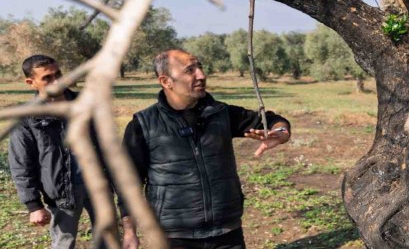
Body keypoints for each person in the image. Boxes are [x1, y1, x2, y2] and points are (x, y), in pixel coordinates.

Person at [120, 49, 291, 249]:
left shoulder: (221, 113)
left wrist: (281, 132)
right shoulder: (143, 124)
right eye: (189, 70)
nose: (201, 75)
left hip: (227, 233)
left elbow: (271, 120)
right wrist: (130, 231)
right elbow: (127, 181)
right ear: (166, 82)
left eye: (199, 67)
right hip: (172, 237)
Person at [8, 55, 108, 248]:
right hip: (62, 190)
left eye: (58, 74)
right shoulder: (27, 117)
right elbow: (21, 163)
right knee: (64, 242)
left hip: (98, 185)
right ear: (31, 82)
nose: (56, 81)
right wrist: (33, 205)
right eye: (47, 78)